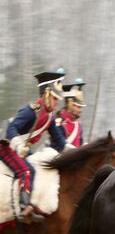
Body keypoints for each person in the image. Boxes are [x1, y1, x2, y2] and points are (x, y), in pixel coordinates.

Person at [2, 70, 67, 222]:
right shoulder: (33, 110)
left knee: (37, 169)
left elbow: (59, 141)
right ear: (47, 94)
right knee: (27, 171)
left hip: (22, 149)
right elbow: (11, 128)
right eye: (55, 99)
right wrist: (18, 145)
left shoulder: (50, 116)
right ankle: (24, 209)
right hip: (5, 145)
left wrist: (75, 152)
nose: (58, 103)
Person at [58, 78, 86, 147]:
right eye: (78, 107)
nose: (80, 110)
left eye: (81, 107)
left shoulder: (78, 124)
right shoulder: (59, 123)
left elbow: (80, 145)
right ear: (69, 104)